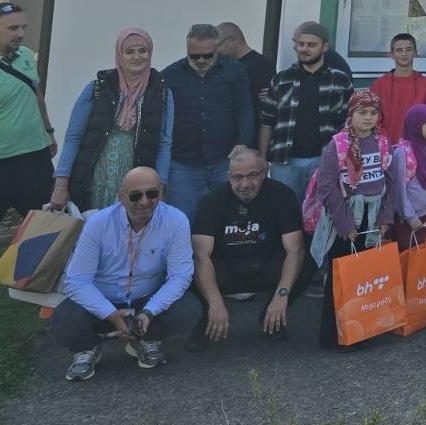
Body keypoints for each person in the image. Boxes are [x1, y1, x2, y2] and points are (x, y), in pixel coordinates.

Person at [53, 166, 199, 380]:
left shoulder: (176, 221)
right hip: (104, 298)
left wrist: (149, 312)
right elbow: (76, 280)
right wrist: (110, 314)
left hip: (145, 298)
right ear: (121, 197)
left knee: (189, 310)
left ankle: (144, 337)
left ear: (161, 192)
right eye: (135, 196)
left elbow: (180, 275)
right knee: (63, 322)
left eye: (152, 194)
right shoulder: (98, 224)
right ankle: (88, 347)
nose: (144, 201)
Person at [310, 91, 408, 349]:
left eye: (373, 113)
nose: (367, 118)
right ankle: (336, 336)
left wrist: (386, 217)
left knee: (366, 275)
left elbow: (390, 182)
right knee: (341, 275)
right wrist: (345, 225)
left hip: (373, 219)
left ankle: (363, 328)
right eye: (362, 113)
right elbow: (328, 187)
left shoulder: (383, 143)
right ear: (351, 114)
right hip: (347, 218)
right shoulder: (337, 145)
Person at [190, 146, 313, 343]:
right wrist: (215, 303)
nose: (245, 184)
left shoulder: (282, 195)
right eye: (237, 177)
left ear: (264, 172)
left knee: (307, 258)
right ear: (228, 175)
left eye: (252, 175)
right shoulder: (211, 200)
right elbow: (200, 256)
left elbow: (295, 250)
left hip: (265, 266)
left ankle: (272, 318)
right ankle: (207, 318)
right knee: (187, 264)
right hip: (226, 271)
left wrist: (282, 296)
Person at [52, 28, 173, 213]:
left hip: (136, 178)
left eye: (143, 51)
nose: (137, 57)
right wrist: (61, 185)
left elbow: (164, 143)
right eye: (129, 52)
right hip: (93, 176)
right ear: (119, 54)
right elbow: (73, 137)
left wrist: (160, 185)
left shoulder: (162, 92)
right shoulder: (98, 88)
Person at [162, 24, 254, 223]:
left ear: (217, 49)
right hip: (183, 161)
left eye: (208, 55)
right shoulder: (169, 76)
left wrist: (243, 142)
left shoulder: (235, 71)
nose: (201, 60)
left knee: (230, 218)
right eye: (194, 56)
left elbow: (245, 110)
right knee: (181, 221)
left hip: (225, 158)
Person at [259, 21, 354, 208]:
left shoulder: (340, 80)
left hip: (324, 159)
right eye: (301, 44)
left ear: (324, 47)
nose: (304, 49)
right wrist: (262, 158)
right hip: (285, 161)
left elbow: (348, 124)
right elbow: (267, 121)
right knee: (285, 211)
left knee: (320, 213)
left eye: (311, 45)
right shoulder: (282, 79)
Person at [0, 2, 56, 222]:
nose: (21, 34)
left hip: (35, 156)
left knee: (45, 226)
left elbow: (36, 94)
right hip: (3, 160)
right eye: (13, 29)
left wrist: (48, 130)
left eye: (23, 28)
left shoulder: (24, 55)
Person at [369, 33, 426, 133]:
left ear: (415, 53)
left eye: (408, 49)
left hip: (415, 144)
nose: (404, 54)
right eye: (399, 50)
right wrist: (384, 143)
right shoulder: (379, 84)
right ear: (391, 54)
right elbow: (374, 119)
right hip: (385, 145)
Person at [215, 22, 275, 126]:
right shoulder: (225, 66)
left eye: (218, 45)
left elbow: (264, 106)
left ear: (234, 41)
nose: (215, 50)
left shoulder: (261, 65)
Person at [399, 104, 426, 241]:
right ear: (415, 125)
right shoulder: (402, 153)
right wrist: (411, 217)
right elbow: (399, 191)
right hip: (406, 221)